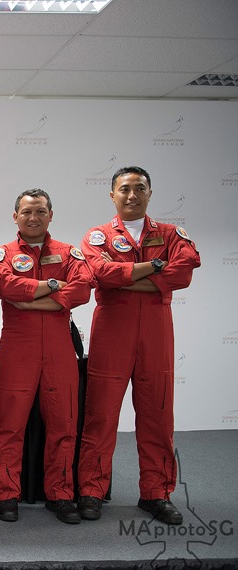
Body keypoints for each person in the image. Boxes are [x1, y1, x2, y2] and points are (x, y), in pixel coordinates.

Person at [76, 166, 200, 525]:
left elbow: (184, 273)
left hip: (156, 335)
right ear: (112, 195)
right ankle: (91, 491)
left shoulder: (171, 233)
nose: (132, 195)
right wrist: (155, 273)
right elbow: (100, 274)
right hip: (112, 330)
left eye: (139, 189)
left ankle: (156, 493)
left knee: (158, 416)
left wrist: (127, 278)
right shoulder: (97, 236)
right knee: (100, 416)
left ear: (150, 193)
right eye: (124, 189)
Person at [0, 188, 93, 524]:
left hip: (60, 348)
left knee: (64, 426)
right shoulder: (2, 253)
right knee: (9, 426)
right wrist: (56, 288)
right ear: (15, 216)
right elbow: (8, 288)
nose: (33, 218)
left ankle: (61, 495)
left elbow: (83, 289)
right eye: (27, 212)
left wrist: (34, 298)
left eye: (40, 211)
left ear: (51, 215)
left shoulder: (69, 252)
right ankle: (6, 495)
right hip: (19, 348)